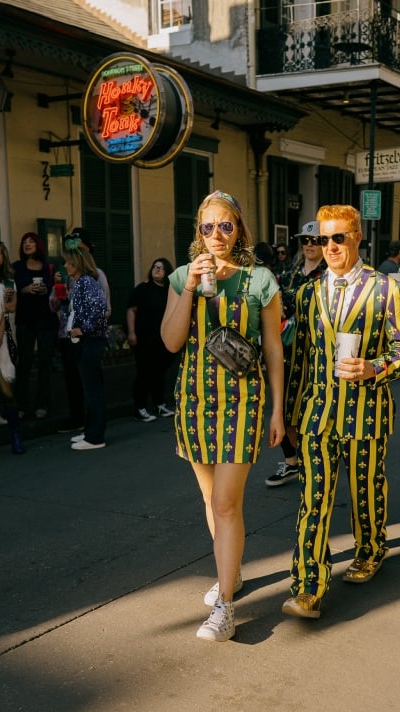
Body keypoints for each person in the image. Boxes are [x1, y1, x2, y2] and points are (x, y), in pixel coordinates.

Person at [281, 204, 400, 620]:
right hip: (315, 416)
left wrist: (375, 367)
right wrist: (287, 416)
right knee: (313, 500)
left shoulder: (386, 289)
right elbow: (299, 359)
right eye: (323, 239)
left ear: (357, 237)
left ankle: (371, 550)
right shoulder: (306, 294)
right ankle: (308, 588)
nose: (330, 246)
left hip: (366, 413)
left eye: (338, 237)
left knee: (365, 491)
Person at [161, 190, 285, 642]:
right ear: (198, 233)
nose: (217, 235)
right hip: (193, 402)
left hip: (242, 402)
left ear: (239, 231)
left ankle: (227, 607)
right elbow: (172, 342)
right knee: (212, 500)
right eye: (207, 227)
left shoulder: (260, 281)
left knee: (226, 503)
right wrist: (191, 284)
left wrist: (277, 410)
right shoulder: (181, 277)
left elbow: (273, 349)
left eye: (226, 226)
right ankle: (227, 572)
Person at [265, 219, 326, 487]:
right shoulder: (289, 271)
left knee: (316, 411)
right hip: (287, 351)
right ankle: (292, 462)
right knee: (285, 409)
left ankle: (319, 460)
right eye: (306, 240)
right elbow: (278, 305)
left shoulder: (330, 274)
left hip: (317, 353)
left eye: (317, 240)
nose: (310, 245)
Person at [63, 235, 109, 451]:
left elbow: (100, 309)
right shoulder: (80, 283)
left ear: (77, 263)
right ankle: (91, 431)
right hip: (87, 341)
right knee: (90, 388)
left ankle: (95, 437)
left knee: (93, 390)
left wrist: (84, 328)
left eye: (68, 262)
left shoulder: (86, 282)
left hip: (91, 341)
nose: (65, 266)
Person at [12, 232, 57, 419]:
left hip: (46, 319)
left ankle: (42, 404)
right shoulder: (17, 267)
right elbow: (12, 289)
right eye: (24, 242)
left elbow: (55, 290)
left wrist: (47, 289)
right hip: (25, 319)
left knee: (45, 362)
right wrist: (25, 289)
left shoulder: (48, 267)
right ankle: (22, 405)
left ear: (38, 245)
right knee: (24, 362)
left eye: (31, 242)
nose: (27, 244)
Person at [0, 241, 25, 456]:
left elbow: (8, 310)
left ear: (3, 257)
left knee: (6, 389)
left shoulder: (8, 281)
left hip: (0, 340)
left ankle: (15, 436)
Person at [127, 257, 177, 421]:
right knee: (144, 372)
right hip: (144, 338)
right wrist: (132, 333)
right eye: (155, 266)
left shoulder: (170, 291)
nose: (157, 269)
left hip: (162, 339)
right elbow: (131, 310)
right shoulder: (143, 289)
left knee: (158, 372)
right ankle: (139, 407)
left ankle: (159, 404)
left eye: (161, 268)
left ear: (167, 272)